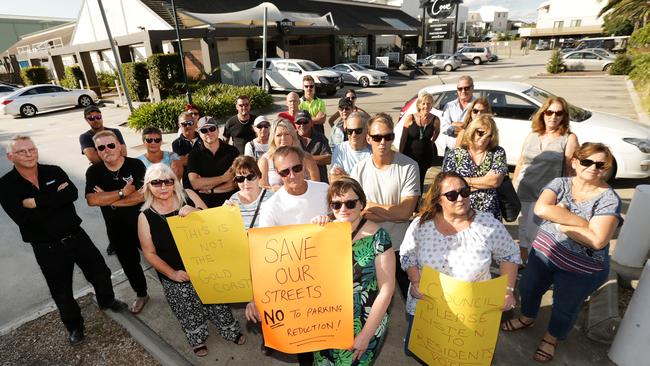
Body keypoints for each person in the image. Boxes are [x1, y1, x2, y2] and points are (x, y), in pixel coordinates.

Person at [0, 135, 128, 345]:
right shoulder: (5, 185)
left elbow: (72, 194)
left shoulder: (53, 171)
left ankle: (107, 300)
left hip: (77, 236)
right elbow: (23, 218)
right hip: (47, 248)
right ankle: (75, 326)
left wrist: (37, 202)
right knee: (61, 292)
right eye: (22, 151)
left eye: (32, 149)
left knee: (101, 273)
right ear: (10, 156)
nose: (29, 154)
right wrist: (56, 200)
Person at [503, 143, 622, 363]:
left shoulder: (609, 199)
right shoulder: (559, 183)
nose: (593, 167)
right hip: (543, 256)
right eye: (587, 161)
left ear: (606, 168)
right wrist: (585, 223)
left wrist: (560, 224)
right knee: (528, 288)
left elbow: (597, 241)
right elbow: (541, 209)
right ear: (575, 162)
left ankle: (551, 338)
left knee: (564, 307)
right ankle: (528, 317)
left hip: (581, 269)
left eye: (600, 164)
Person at [400, 171, 520, 354]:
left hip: (471, 314)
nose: (460, 198)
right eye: (451, 195)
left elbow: (510, 255)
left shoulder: (488, 225)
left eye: (464, 192)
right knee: (425, 354)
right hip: (426, 310)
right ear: (438, 199)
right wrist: (416, 281)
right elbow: (408, 255)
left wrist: (508, 291)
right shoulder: (421, 225)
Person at [137, 164, 245, 357]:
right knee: (187, 310)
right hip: (177, 275)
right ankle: (197, 337)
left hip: (206, 266)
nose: (163, 186)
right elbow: (149, 253)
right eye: (156, 182)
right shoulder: (145, 217)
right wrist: (172, 273)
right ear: (148, 186)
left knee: (218, 302)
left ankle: (229, 329)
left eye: (168, 181)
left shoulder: (188, 195)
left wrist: (196, 212)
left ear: (174, 182)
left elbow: (214, 222)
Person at [248, 145, 329, 366]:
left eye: (296, 168)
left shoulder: (324, 190)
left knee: (331, 337)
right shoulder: (271, 207)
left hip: (328, 279)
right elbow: (264, 254)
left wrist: (330, 223)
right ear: (277, 173)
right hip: (295, 285)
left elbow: (346, 223)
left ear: (304, 166)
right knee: (305, 343)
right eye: (284, 172)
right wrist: (255, 297)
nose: (292, 175)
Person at [310, 177, 395, 365]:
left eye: (350, 203)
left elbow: (387, 290)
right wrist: (312, 230)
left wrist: (365, 335)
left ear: (361, 203)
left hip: (366, 320)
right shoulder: (323, 232)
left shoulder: (378, 237)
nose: (343, 209)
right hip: (326, 320)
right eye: (336, 204)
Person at [351, 113, 420, 299]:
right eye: (377, 137)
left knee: (412, 298)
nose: (382, 142)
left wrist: (371, 207)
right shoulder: (359, 170)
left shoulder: (409, 166)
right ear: (368, 138)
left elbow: (406, 212)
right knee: (370, 302)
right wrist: (394, 212)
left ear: (393, 138)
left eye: (388, 136)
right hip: (368, 247)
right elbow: (355, 213)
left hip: (400, 247)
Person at [85, 130, 150, 314]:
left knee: (157, 256)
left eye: (111, 145)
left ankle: (173, 290)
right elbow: (92, 200)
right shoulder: (94, 171)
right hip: (116, 229)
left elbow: (143, 194)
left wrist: (110, 200)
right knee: (130, 264)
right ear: (97, 151)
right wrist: (123, 192)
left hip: (142, 223)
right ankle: (142, 293)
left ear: (119, 147)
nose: (107, 150)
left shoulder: (135, 165)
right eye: (101, 147)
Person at [513, 96, 579, 262]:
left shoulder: (569, 138)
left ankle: (538, 265)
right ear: (542, 113)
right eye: (549, 112)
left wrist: (569, 197)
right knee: (522, 228)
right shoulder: (533, 134)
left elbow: (571, 170)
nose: (553, 116)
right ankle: (524, 261)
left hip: (545, 194)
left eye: (558, 113)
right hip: (523, 189)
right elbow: (521, 161)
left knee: (536, 232)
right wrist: (513, 185)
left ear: (564, 116)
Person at [78, 105, 126, 256]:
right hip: (101, 177)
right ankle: (115, 241)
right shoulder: (85, 137)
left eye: (97, 116)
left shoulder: (115, 131)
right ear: (86, 120)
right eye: (91, 118)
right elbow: (92, 157)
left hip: (121, 171)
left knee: (130, 207)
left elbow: (124, 152)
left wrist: (107, 157)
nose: (95, 120)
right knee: (109, 214)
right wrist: (112, 154)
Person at [442, 115, 507, 220]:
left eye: (489, 135)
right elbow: (448, 184)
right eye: (480, 133)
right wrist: (484, 182)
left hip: (489, 214)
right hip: (460, 213)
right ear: (472, 131)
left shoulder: (497, 152)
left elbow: (495, 181)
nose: (483, 138)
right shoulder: (456, 154)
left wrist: (463, 183)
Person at [187, 116, 238, 208]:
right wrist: (223, 178)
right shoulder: (194, 154)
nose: (208, 133)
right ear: (199, 134)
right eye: (204, 130)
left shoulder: (233, 151)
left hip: (231, 203)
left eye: (212, 128)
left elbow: (235, 183)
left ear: (218, 130)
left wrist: (211, 190)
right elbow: (195, 183)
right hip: (206, 205)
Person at [258, 118, 319, 191]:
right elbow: (261, 187)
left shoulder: (305, 158)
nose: (283, 138)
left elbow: (316, 184)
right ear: (273, 138)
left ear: (293, 136)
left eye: (287, 134)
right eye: (279, 135)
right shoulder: (265, 160)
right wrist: (274, 189)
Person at [399, 92, 440, 188]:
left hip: (425, 155)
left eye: (429, 103)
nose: (426, 106)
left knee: (421, 180)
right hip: (410, 154)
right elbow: (403, 137)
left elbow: (437, 132)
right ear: (419, 105)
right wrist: (400, 154)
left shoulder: (435, 119)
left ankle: (418, 201)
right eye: (424, 103)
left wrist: (432, 141)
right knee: (408, 179)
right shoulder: (410, 118)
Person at [224, 156, 273, 229]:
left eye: (250, 177)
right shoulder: (233, 202)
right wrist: (223, 215)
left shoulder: (272, 198)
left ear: (259, 175)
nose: (246, 182)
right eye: (240, 179)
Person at [329, 111, 372, 182]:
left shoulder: (374, 151)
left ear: (366, 130)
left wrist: (346, 177)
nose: (353, 135)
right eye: (350, 131)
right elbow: (334, 179)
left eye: (358, 131)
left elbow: (372, 183)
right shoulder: (340, 149)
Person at [440, 76, 476, 153]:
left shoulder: (478, 105)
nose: (463, 91)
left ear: (472, 88)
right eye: (460, 88)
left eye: (466, 88)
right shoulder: (449, 106)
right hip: (450, 151)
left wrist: (453, 124)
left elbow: (478, 128)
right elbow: (443, 127)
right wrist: (465, 126)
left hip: (471, 152)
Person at [295, 110, 331, 183]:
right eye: (299, 122)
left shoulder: (320, 137)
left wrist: (303, 158)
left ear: (311, 123)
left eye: (305, 122)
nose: (302, 125)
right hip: (299, 183)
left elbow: (328, 158)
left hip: (320, 182)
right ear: (295, 124)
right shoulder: (291, 138)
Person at [172, 111, 203, 189]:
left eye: (190, 123)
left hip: (206, 179)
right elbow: (182, 162)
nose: (188, 126)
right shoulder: (176, 143)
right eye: (184, 124)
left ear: (194, 123)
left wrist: (187, 157)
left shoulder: (203, 137)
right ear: (179, 125)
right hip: (188, 184)